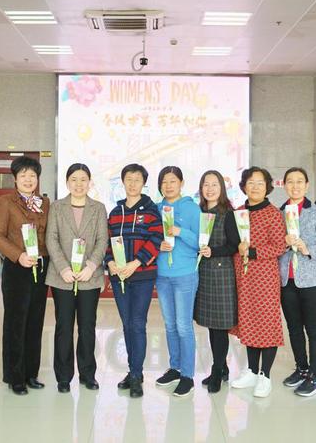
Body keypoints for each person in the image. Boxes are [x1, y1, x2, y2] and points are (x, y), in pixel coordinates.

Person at [45, 163, 109, 393]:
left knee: (87, 327)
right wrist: (63, 268)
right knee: (63, 327)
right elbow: (51, 239)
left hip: (89, 277)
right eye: (74, 179)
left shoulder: (98, 208)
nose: (79, 184)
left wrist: (91, 266)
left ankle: (87, 374)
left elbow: (102, 240)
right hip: (62, 277)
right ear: (67, 182)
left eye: (83, 179)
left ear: (90, 182)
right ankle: (63, 377)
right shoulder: (57, 207)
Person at [0, 156, 50, 395]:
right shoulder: (6, 202)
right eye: (23, 175)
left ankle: (31, 374)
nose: (28, 180)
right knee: (16, 322)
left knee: (36, 321)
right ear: (15, 179)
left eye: (32, 175)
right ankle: (15, 376)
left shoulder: (44, 202)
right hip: (17, 267)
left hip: (41, 265)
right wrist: (19, 256)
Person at [105, 164, 163, 399]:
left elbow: (156, 238)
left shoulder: (151, 211)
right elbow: (107, 242)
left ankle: (137, 375)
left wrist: (136, 263)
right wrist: (110, 263)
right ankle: (132, 371)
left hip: (142, 276)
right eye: (128, 179)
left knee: (138, 323)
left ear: (143, 183)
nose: (132, 183)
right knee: (127, 323)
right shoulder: (115, 212)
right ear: (123, 182)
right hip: (119, 276)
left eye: (137, 179)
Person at [229, 167, 286, 398]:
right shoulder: (239, 212)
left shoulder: (273, 213)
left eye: (260, 183)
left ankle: (265, 375)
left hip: (265, 278)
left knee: (267, 324)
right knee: (249, 322)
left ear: (267, 187)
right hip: (243, 277)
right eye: (251, 182)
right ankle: (252, 371)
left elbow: (279, 247)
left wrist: (252, 252)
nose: (255, 187)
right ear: (244, 186)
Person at [278, 167, 316, 397]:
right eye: (290, 182)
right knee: (294, 328)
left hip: (313, 280)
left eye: (300, 181)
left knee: (313, 328)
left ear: (307, 185)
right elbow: (274, 246)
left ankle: (314, 376)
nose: (295, 186)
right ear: (284, 185)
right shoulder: (279, 213)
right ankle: (301, 369)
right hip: (286, 279)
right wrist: (284, 243)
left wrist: (307, 248)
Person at [154, 166, 201, 397]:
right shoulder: (156, 209)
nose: (168, 185)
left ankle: (188, 375)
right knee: (170, 325)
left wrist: (180, 231)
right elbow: (150, 238)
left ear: (181, 183)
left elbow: (201, 242)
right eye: (164, 181)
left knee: (183, 325)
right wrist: (158, 245)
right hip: (162, 275)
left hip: (185, 274)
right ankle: (175, 368)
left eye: (173, 181)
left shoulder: (191, 208)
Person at [195, 170, 239, 394]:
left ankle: (217, 370)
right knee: (212, 325)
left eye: (214, 185)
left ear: (222, 188)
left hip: (222, 274)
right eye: (206, 184)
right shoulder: (199, 212)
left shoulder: (228, 214)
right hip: (203, 273)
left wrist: (214, 251)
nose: (210, 189)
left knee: (220, 326)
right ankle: (223, 368)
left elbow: (234, 245)